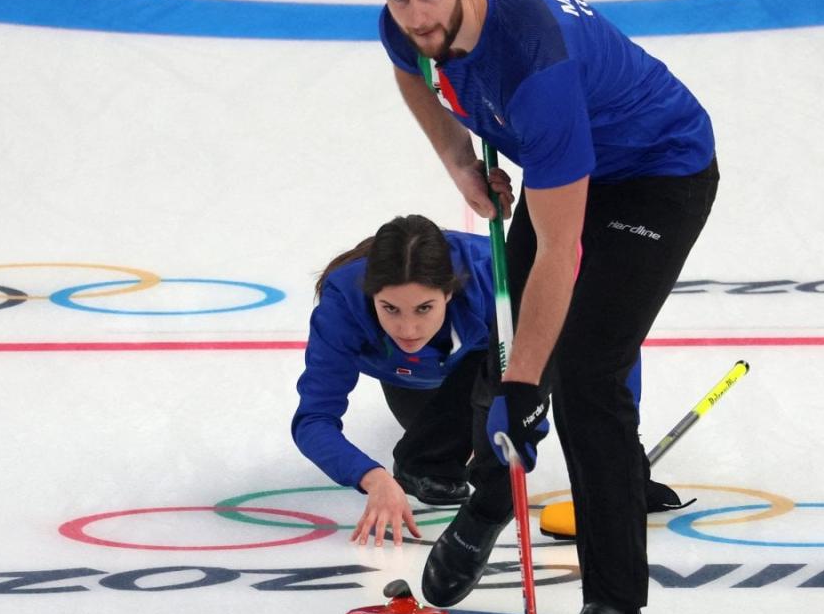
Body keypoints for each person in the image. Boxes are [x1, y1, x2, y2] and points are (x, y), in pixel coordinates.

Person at [372, 0, 718, 614]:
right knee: (511, 344)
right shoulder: (406, 24)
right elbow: (409, 66)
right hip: (568, 169)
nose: (417, 13)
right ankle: (493, 502)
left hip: (657, 174)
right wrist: (462, 163)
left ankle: (617, 612)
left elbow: (562, 249)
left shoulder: (534, 60)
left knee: (585, 372)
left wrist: (529, 384)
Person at [293, 214, 687, 549]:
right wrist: (373, 479)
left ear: (449, 291)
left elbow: (606, 342)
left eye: (424, 308)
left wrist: (622, 446)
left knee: (518, 392)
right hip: (410, 380)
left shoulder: (492, 278)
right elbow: (313, 420)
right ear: (371, 295)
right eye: (390, 309)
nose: (408, 327)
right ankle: (436, 451)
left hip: (487, 358)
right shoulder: (342, 304)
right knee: (428, 465)